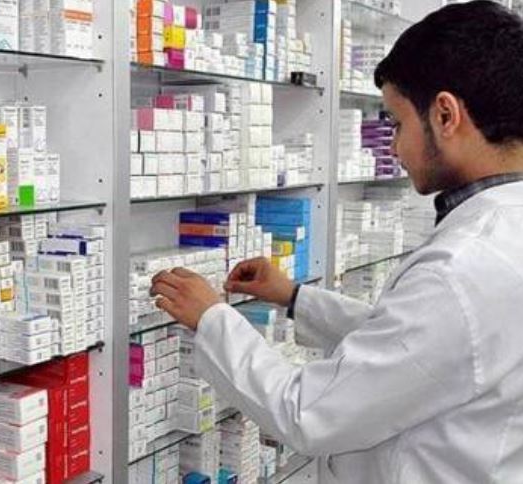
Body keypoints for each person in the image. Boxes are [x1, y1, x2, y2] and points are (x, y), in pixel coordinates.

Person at [150, 2, 523, 482]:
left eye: (397, 123)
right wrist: (294, 297)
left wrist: (212, 319)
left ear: (445, 115)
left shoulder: (463, 268)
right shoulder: (498, 234)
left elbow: (305, 412)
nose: (394, 147)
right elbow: (415, 347)